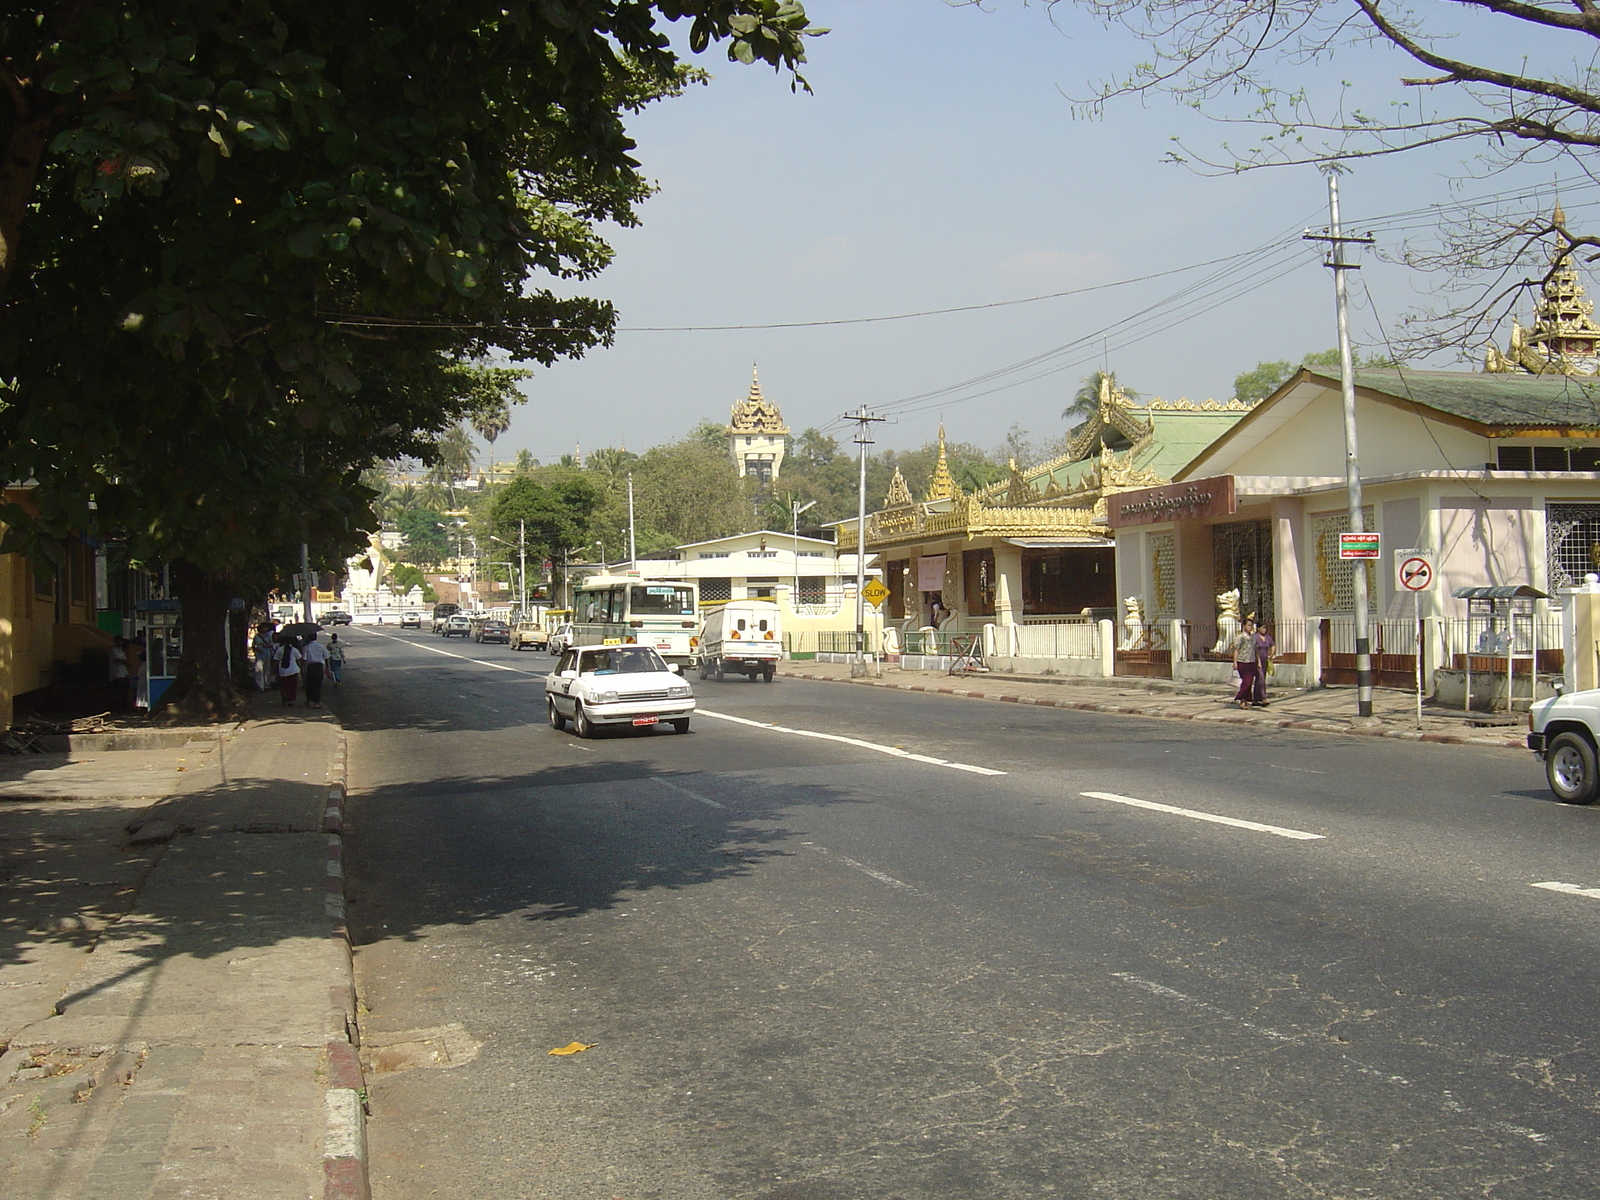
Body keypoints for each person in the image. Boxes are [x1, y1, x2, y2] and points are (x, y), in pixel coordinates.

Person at [1231, 617, 1259, 709]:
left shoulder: (1253, 637)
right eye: (1249, 625)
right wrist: (1235, 662)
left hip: (1251, 661)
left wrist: (1258, 662)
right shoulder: (1240, 637)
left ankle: (1244, 701)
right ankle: (1240, 697)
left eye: (1252, 626)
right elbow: (1236, 650)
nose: (1250, 627)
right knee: (1246, 682)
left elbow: (1256, 650)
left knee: (1249, 682)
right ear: (1244, 626)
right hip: (1242, 661)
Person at [301, 632, 328, 708]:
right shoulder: (321, 646)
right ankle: (317, 702)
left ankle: (308, 700)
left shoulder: (306, 647)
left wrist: (302, 668)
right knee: (318, 685)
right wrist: (327, 668)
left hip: (310, 667)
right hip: (319, 667)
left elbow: (304, 659)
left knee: (309, 684)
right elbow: (326, 657)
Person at [1252, 619, 1276, 707]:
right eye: (1262, 628)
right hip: (1257, 660)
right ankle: (1263, 698)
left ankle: (1255, 698)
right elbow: (1255, 650)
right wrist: (1258, 661)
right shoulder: (1255, 637)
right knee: (1260, 678)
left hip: (1265, 659)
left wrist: (1271, 655)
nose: (1264, 630)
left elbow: (1272, 645)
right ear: (1258, 628)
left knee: (1260, 679)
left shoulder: (1267, 637)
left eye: (1265, 628)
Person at [277, 637, 302, 706]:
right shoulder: (294, 650)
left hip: (282, 670)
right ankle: (290, 700)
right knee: (292, 686)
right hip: (293, 670)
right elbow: (299, 659)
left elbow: (276, 660)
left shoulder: (280, 650)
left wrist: (273, 672)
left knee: (284, 685)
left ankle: (284, 693)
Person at [109, 636, 132, 712]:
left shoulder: (121, 651)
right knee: (119, 693)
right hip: (117, 674)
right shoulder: (114, 650)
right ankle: (119, 709)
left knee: (125, 693)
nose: (120, 643)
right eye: (119, 641)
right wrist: (125, 662)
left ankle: (124, 709)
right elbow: (118, 660)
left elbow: (126, 660)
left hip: (124, 673)